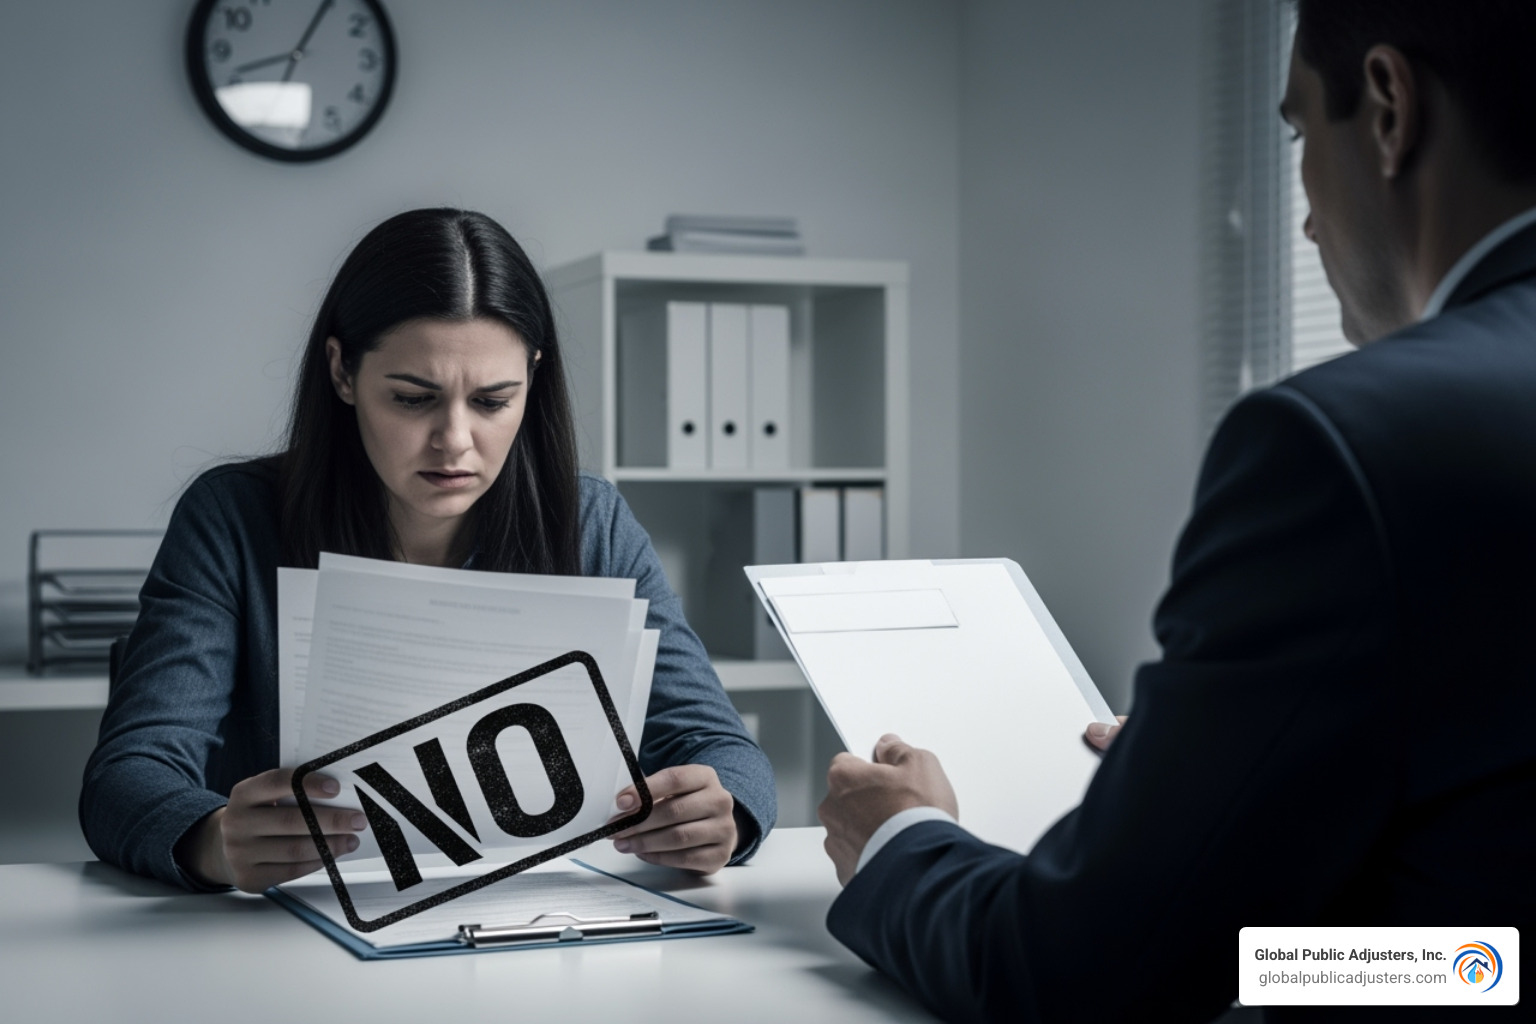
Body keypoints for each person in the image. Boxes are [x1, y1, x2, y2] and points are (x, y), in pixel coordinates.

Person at [817, 2, 1536, 1020]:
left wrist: (905, 840)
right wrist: (1232, 811)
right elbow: (1486, 950)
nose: (1306, 220)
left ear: (1387, 107)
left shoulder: (1345, 444)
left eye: (1299, 136)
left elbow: (1072, 975)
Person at [81, 208, 776, 894]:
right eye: (413, 399)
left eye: (493, 401)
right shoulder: (233, 519)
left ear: (532, 379)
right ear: (342, 372)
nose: (455, 441)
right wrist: (212, 842)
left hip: (535, 921)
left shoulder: (591, 521)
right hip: (286, 929)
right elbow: (130, 772)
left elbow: (724, 751)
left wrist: (722, 815)